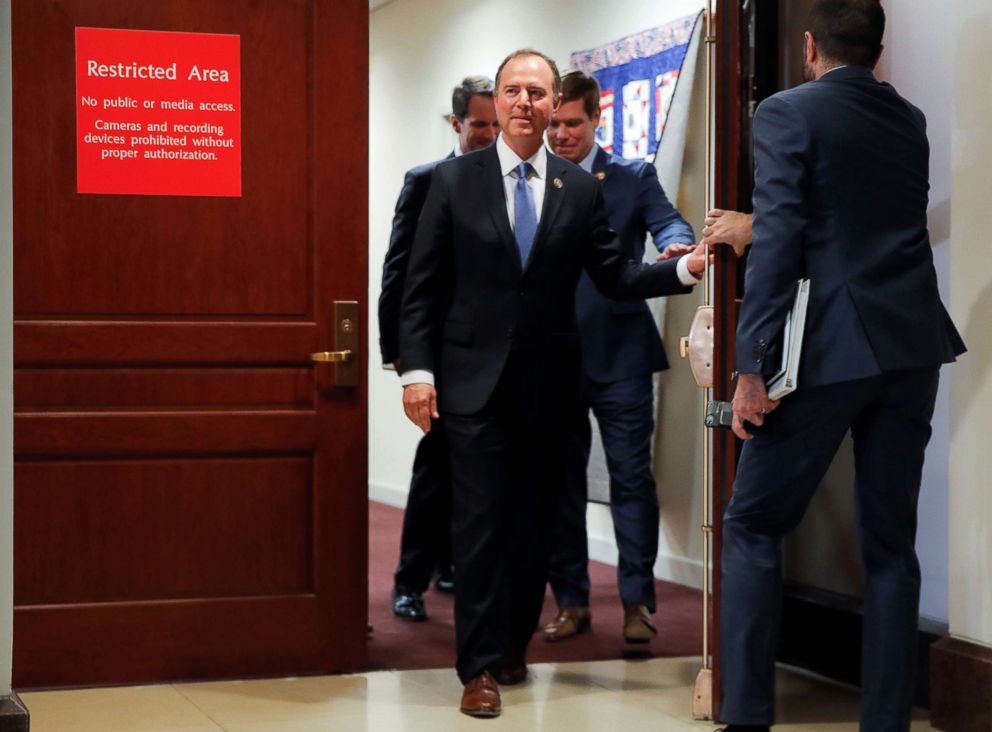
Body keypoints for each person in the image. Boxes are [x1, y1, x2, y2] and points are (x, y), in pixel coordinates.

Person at [399, 49, 708, 718]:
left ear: (551, 104)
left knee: (533, 526)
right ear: (499, 99)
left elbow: (617, 277)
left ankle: (512, 645)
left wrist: (683, 271)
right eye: (513, 89)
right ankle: (477, 667)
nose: (523, 102)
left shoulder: (581, 187)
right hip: (471, 385)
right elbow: (421, 290)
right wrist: (417, 372)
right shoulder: (454, 182)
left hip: (551, 387)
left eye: (537, 92)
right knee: (479, 524)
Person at [717, 2, 965, 731]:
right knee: (891, 545)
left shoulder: (787, 112)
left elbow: (783, 243)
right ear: (878, 49)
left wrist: (751, 366)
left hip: (829, 349)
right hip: (912, 345)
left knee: (754, 523)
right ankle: (885, 723)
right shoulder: (909, 121)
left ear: (808, 45)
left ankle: (748, 718)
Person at [542, 69, 694, 645]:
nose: (560, 135)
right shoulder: (536, 179)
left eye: (571, 123)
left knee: (632, 480)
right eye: (553, 124)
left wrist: (677, 242)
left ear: (596, 118)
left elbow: (668, 221)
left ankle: (637, 602)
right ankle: (572, 602)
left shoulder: (630, 176)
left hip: (622, 354)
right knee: (561, 484)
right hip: (555, 355)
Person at [377, 76, 499, 622]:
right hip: (440, 355)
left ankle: (452, 565)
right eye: (479, 126)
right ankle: (410, 580)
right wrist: (401, 353)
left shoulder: (515, 179)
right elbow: (399, 271)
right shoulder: (425, 180)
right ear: (456, 124)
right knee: (436, 470)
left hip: (495, 355)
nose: (490, 135)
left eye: (497, 125)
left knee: (478, 473)